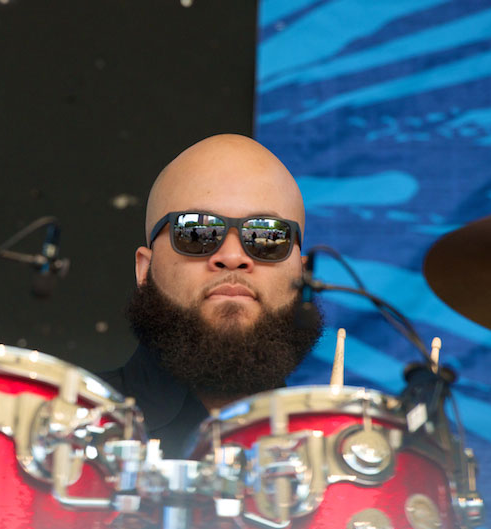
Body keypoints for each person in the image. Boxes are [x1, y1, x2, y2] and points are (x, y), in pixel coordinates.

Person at [97, 134, 323, 459]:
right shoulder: (70, 432)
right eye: (197, 232)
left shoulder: (329, 457)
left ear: (301, 276)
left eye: (266, 235)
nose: (232, 256)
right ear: (145, 270)